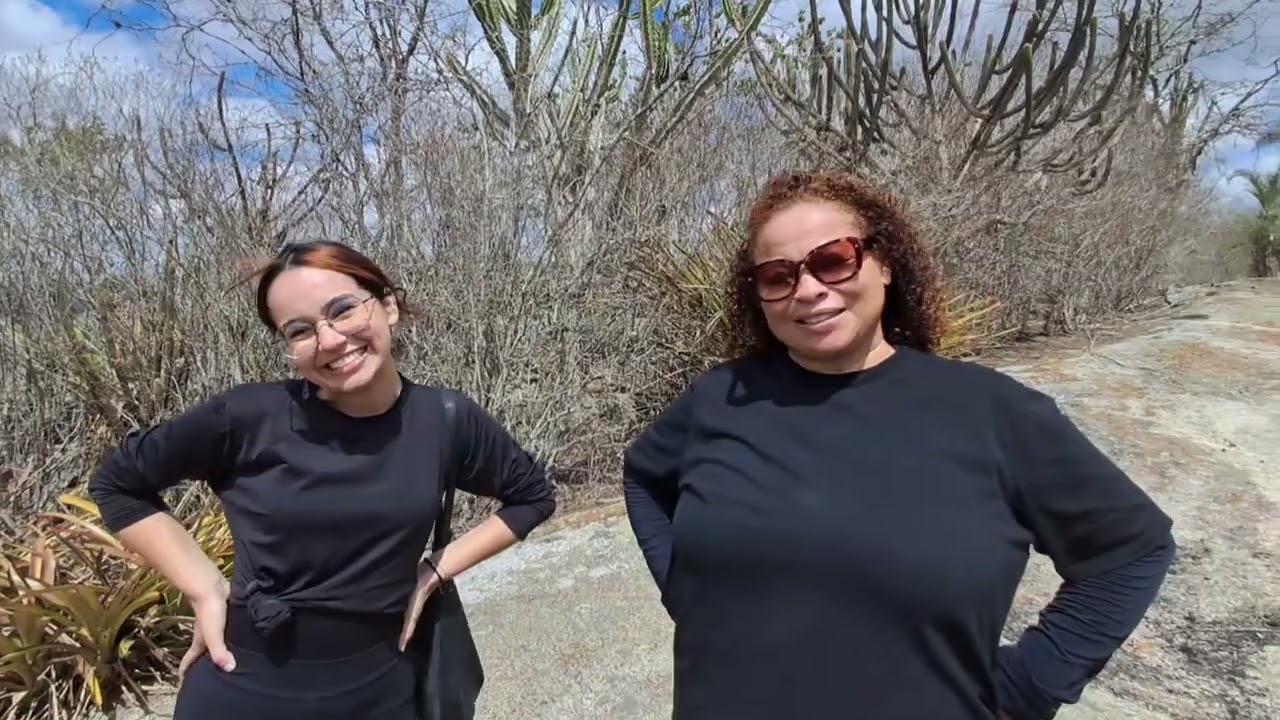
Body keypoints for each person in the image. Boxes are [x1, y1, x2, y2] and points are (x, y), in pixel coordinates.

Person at [622, 170, 1176, 720]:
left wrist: (1030, 685)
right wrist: (684, 589)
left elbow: (1132, 551)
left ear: (884, 263)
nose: (809, 289)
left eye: (833, 259)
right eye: (777, 275)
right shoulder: (722, 396)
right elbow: (644, 475)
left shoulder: (992, 412)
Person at [88, 240, 556, 719]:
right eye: (300, 330)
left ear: (388, 305)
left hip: (385, 692)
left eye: (343, 310)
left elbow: (532, 497)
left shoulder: (446, 419)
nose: (330, 340)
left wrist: (435, 570)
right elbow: (118, 483)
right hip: (244, 688)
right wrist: (203, 587)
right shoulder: (250, 417)